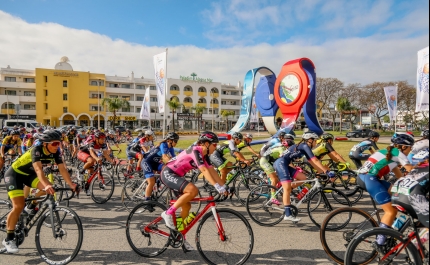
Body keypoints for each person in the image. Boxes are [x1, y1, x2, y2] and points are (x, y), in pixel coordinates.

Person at [2, 130, 77, 253]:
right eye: (54, 144)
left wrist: (71, 184)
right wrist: (46, 185)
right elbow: (38, 170)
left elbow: (62, 169)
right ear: (45, 144)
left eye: (59, 143)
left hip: (29, 175)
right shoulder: (36, 149)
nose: (57, 146)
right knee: (18, 205)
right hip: (15, 174)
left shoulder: (56, 152)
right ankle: (9, 239)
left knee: (49, 189)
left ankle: (30, 206)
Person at [160, 131, 229, 251]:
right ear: (206, 144)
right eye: (214, 145)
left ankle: (180, 237)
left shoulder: (204, 155)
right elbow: (204, 170)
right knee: (193, 190)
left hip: (177, 176)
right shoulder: (196, 150)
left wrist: (225, 186)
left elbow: (212, 172)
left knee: (186, 207)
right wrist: (217, 187)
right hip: (168, 173)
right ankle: (168, 213)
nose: (216, 147)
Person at [356, 133, 415, 249]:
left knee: (398, 193)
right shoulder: (398, 153)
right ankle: (380, 242)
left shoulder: (391, 154)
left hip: (367, 177)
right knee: (390, 211)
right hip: (369, 178)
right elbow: (411, 170)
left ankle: (392, 226)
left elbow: (401, 177)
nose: (410, 151)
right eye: (410, 148)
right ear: (403, 147)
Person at [274, 131, 335, 222]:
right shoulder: (305, 146)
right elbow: (316, 161)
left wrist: (322, 173)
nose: (316, 142)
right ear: (310, 140)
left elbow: (312, 162)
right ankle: (287, 214)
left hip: (285, 164)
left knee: (303, 178)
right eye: (315, 141)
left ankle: (285, 188)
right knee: (287, 189)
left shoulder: (304, 147)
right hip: (280, 164)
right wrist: (327, 172)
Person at [141, 132, 179, 202]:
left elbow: (174, 158)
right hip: (147, 162)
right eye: (175, 141)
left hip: (154, 163)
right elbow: (165, 157)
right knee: (151, 182)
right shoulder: (163, 145)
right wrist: (175, 165)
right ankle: (146, 201)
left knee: (166, 168)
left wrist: (179, 165)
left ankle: (158, 183)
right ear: (170, 140)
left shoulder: (170, 148)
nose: (176, 142)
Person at [259, 133, 296, 203]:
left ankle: (274, 188)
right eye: (290, 147)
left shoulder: (283, 146)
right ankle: (272, 197)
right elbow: (284, 160)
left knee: (279, 174)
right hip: (265, 161)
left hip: (270, 160)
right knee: (274, 179)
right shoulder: (281, 148)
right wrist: (294, 168)